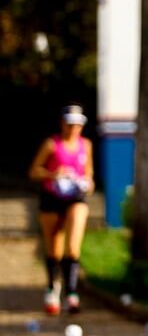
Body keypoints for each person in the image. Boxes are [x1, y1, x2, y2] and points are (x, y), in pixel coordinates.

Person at [27, 104, 95, 316]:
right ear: (62, 124)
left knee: (73, 247)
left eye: (77, 124)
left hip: (75, 197)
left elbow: (89, 174)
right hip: (52, 198)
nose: (73, 128)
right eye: (70, 124)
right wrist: (53, 174)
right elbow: (34, 172)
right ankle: (52, 288)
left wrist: (86, 183)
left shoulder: (86, 145)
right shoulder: (51, 144)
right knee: (53, 249)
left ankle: (72, 293)